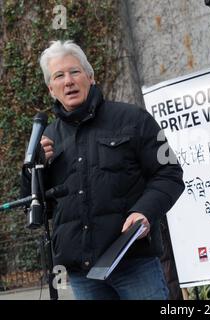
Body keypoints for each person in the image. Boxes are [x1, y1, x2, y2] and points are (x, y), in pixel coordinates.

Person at [21, 40, 185, 300]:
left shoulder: (133, 119)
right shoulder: (47, 137)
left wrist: (145, 211)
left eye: (74, 72)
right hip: (82, 274)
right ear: (51, 88)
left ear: (90, 76)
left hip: (134, 262)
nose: (68, 81)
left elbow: (170, 175)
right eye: (59, 76)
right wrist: (35, 170)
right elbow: (38, 205)